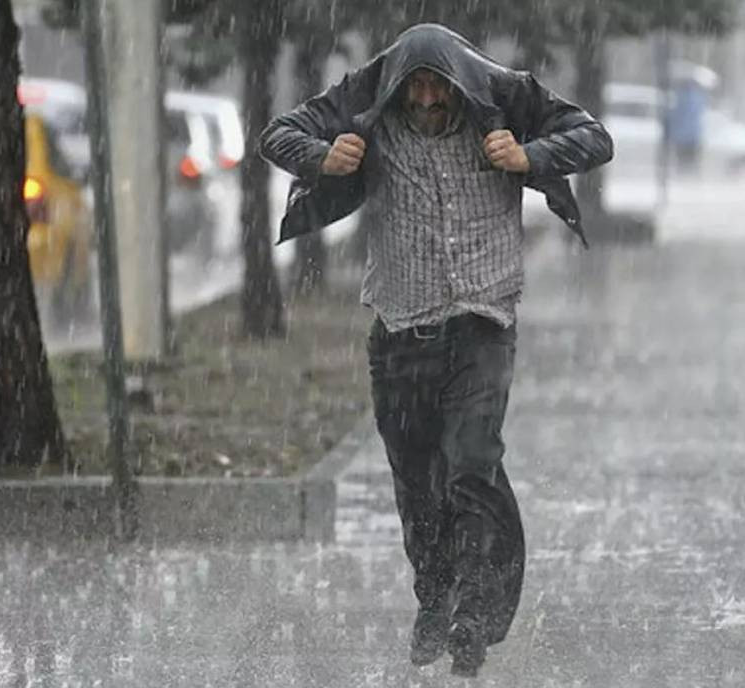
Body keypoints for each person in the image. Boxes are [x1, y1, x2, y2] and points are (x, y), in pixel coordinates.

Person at [259, 23, 612, 677]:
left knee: (472, 467)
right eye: (413, 88)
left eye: (436, 87)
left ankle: (472, 616)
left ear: (459, 83)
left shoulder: (503, 95)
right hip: (399, 331)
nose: (424, 99)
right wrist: (322, 157)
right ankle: (435, 600)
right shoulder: (370, 95)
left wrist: (528, 156)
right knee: (419, 487)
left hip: (482, 323)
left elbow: (595, 138)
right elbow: (276, 134)